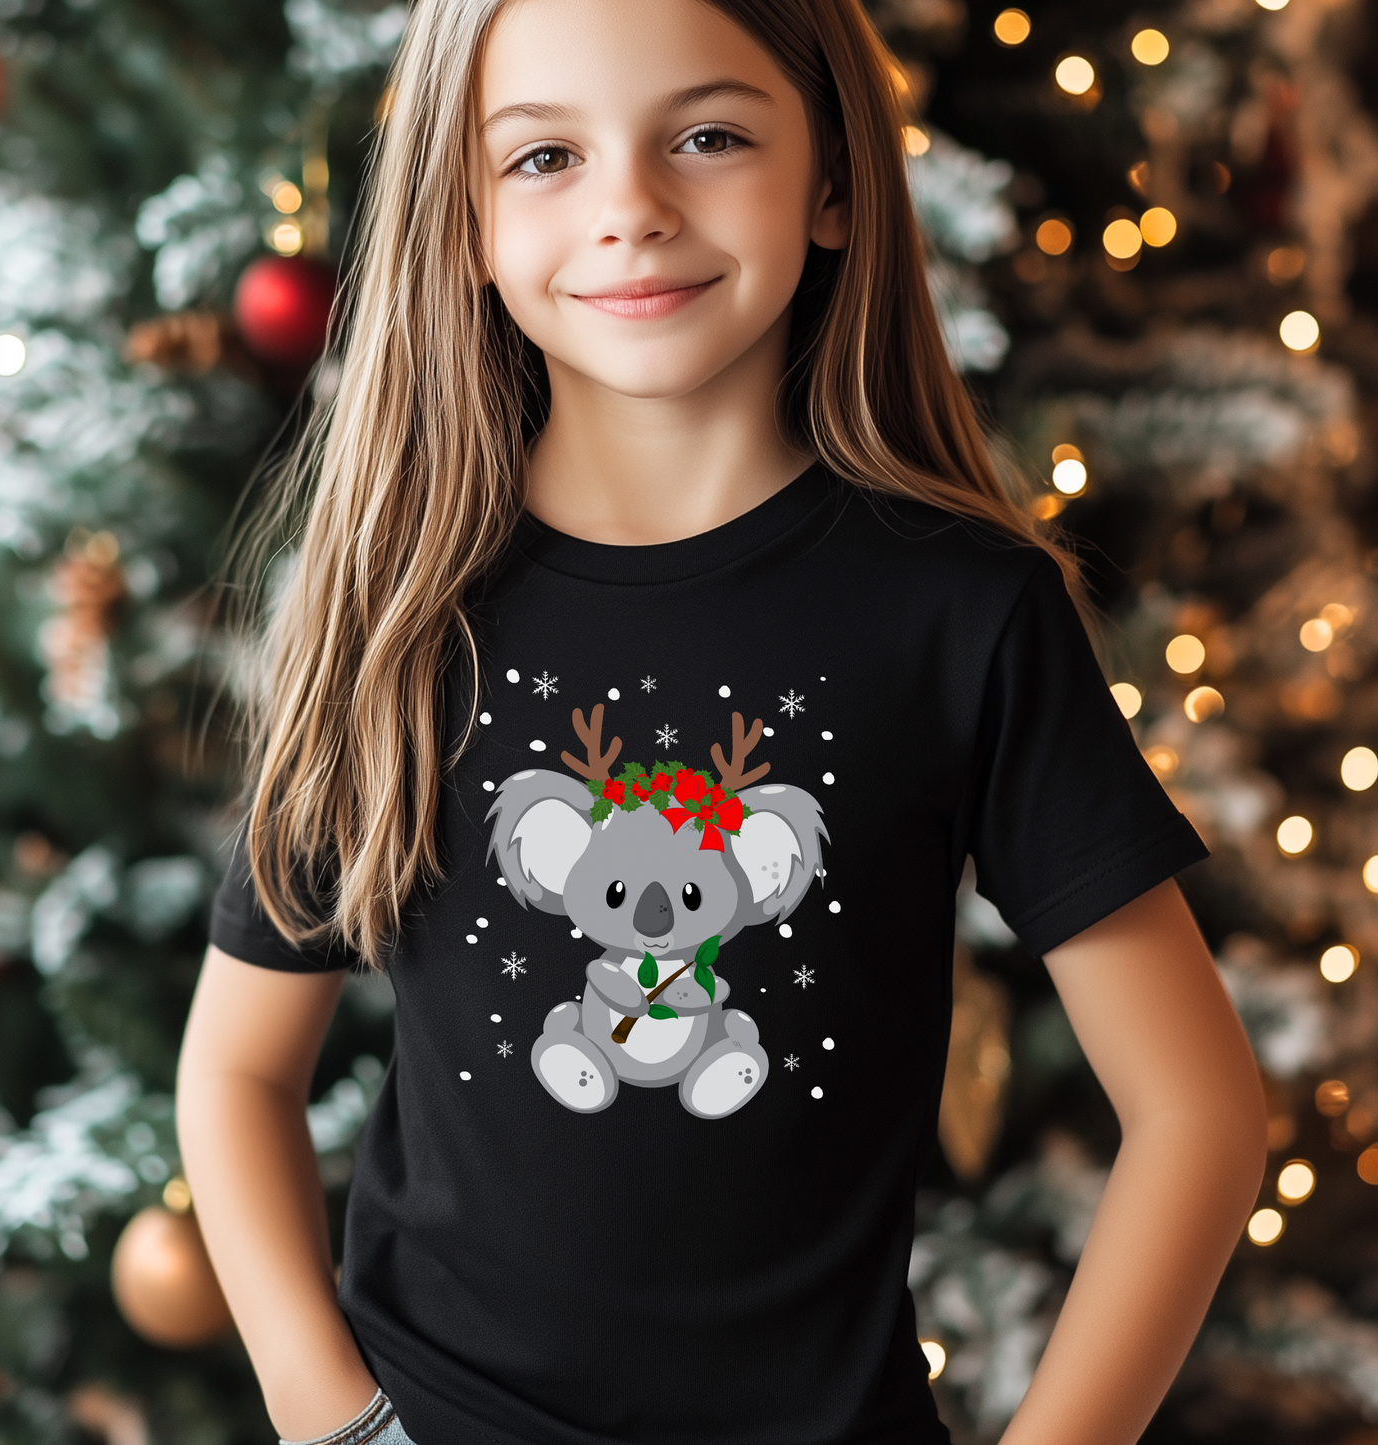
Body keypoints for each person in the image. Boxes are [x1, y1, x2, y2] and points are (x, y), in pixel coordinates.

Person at [174, 1, 1269, 1443]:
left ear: (830, 181)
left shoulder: (965, 611)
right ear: (466, 220)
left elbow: (1199, 1117)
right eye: (545, 157)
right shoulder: (393, 602)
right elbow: (238, 1068)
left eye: (707, 136)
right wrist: (337, 1421)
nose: (630, 208)